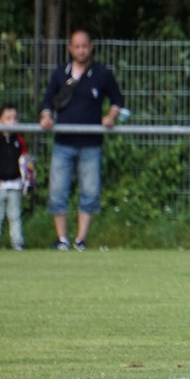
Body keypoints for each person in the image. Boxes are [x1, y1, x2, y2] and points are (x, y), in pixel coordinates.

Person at [39, 29, 124, 251]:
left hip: (91, 145)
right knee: (57, 191)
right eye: (76, 46)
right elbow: (47, 101)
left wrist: (111, 117)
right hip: (63, 144)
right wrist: (46, 116)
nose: (81, 50)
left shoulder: (102, 73)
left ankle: (80, 240)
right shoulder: (60, 73)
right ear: (70, 48)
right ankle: (62, 239)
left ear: (91, 47)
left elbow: (118, 101)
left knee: (90, 192)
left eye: (84, 46)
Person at [0, 104, 27, 250]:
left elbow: (25, 161)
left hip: (15, 184)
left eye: (15, 118)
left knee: (15, 214)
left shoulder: (20, 140)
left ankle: (17, 242)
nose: (12, 122)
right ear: (0, 121)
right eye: (8, 118)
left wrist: (25, 181)